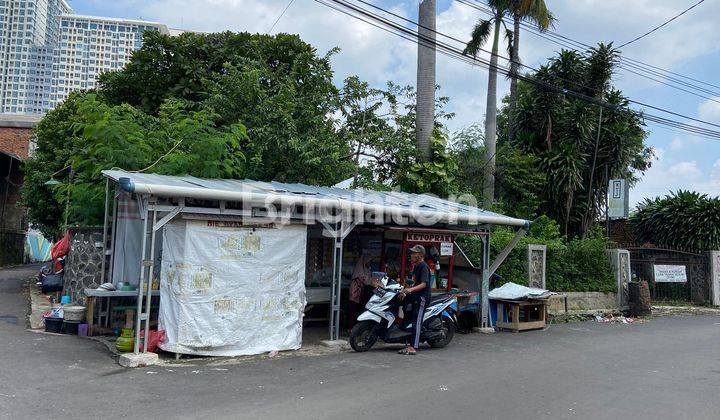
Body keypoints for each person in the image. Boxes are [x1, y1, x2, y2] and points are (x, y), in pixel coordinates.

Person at [398, 244, 431, 355]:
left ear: (420, 255)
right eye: (411, 253)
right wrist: (403, 290)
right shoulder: (415, 266)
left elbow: (424, 284)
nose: (411, 255)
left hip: (422, 298)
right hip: (414, 297)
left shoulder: (423, 267)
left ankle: (413, 347)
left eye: (414, 253)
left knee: (417, 321)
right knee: (407, 317)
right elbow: (409, 281)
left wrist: (410, 290)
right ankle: (407, 341)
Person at [348, 253, 371, 331]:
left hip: (360, 292)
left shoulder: (366, 268)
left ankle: (357, 328)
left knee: (358, 310)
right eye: (369, 261)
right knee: (353, 310)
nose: (369, 262)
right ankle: (351, 328)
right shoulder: (360, 268)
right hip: (355, 292)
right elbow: (365, 280)